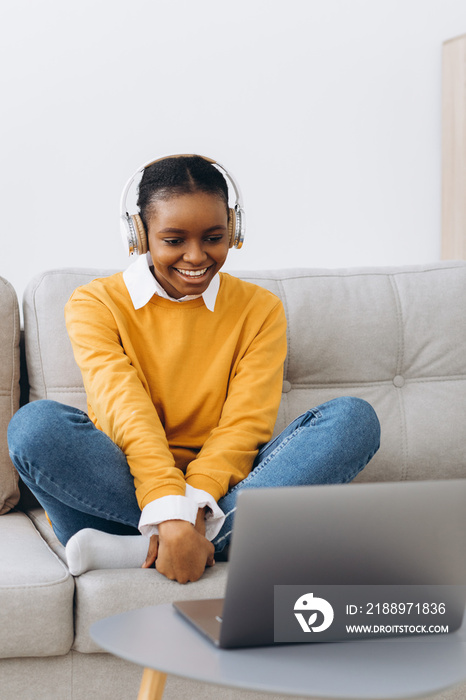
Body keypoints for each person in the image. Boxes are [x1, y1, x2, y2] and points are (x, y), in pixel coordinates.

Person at [7, 155, 380, 584]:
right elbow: (126, 411)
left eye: (214, 237)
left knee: (354, 420)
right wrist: (169, 510)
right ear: (139, 235)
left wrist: (195, 511)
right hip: (122, 484)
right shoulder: (95, 303)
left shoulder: (260, 309)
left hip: (223, 490)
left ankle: (144, 547)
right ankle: (204, 540)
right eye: (174, 240)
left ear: (234, 231)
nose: (196, 256)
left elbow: (245, 424)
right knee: (35, 427)